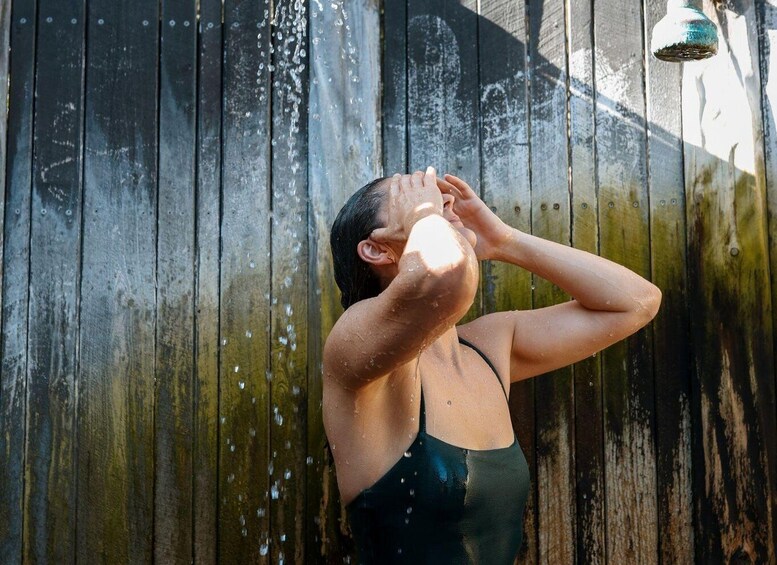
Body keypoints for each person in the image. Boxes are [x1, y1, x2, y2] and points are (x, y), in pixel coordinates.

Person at [323, 167, 661, 564]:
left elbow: (635, 303)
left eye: (438, 198)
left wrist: (504, 240)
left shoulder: (489, 347)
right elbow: (444, 275)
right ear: (376, 250)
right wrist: (426, 217)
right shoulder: (355, 354)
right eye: (412, 196)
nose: (440, 202)